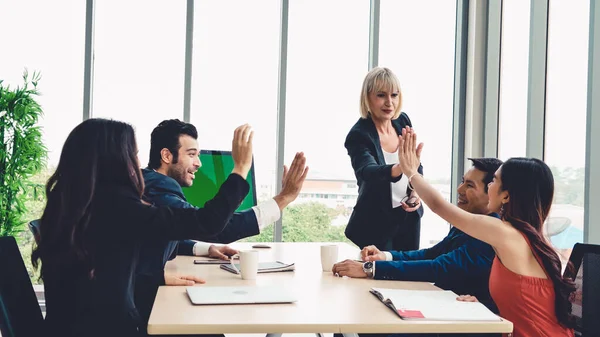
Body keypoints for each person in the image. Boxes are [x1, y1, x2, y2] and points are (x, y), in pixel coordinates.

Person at [32, 118, 254, 337]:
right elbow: (207, 222)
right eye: (133, 155)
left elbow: (97, 280)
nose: (137, 164)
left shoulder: (72, 205)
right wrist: (240, 169)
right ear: (115, 161)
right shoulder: (119, 206)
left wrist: (156, 279)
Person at [395, 127, 575, 337]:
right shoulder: (528, 238)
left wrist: (411, 173)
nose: (489, 186)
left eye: (493, 181)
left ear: (506, 196)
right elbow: (526, 303)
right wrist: (488, 307)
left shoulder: (506, 233)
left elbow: (439, 206)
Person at [135, 119, 308, 333]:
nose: (198, 162)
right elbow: (214, 225)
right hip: (143, 308)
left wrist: (204, 248)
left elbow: (165, 231)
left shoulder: (149, 183)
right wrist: (281, 198)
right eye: (191, 154)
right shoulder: (159, 187)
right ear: (167, 156)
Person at [332, 158, 503, 316]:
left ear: (492, 192)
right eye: (462, 182)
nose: (460, 190)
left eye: (470, 186)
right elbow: (432, 254)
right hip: (448, 306)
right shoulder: (470, 222)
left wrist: (369, 269)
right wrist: (385, 256)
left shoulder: (490, 230)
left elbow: (441, 267)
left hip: (465, 317)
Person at [344, 67, 423, 252]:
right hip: (376, 223)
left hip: (408, 218)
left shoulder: (402, 121)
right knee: (379, 278)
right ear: (367, 97)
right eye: (381, 95)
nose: (389, 102)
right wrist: (400, 167)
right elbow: (367, 172)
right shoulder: (359, 134)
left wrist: (415, 194)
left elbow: (415, 164)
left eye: (394, 95)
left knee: (409, 277)